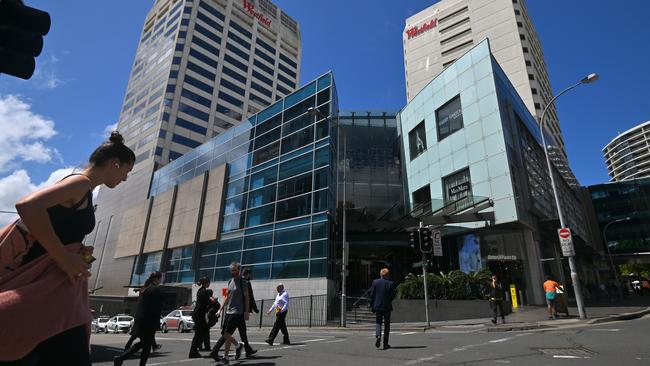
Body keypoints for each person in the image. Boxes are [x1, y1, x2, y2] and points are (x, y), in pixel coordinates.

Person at [0, 131, 134, 365]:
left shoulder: (85, 191)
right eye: (126, 171)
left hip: (52, 287)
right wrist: (63, 257)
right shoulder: (80, 183)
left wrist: (76, 252)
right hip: (41, 286)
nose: (125, 178)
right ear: (115, 163)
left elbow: (56, 229)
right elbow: (28, 205)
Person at [113, 271, 163, 366]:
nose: (161, 281)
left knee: (146, 345)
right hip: (149, 321)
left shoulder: (145, 289)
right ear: (156, 279)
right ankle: (120, 358)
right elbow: (156, 308)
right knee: (145, 344)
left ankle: (122, 358)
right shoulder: (155, 290)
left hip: (142, 320)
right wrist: (157, 322)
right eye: (160, 279)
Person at [210, 267, 258, 358]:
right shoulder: (230, 281)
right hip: (231, 312)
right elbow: (226, 296)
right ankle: (244, 348)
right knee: (235, 333)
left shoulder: (244, 282)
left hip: (238, 312)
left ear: (239, 271)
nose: (233, 272)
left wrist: (248, 311)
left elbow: (249, 297)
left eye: (235, 270)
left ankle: (218, 352)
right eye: (232, 270)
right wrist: (220, 309)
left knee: (227, 333)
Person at [369, 268, 395, 350]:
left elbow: (372, 294)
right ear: (387, 275)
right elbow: (392, 296)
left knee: (378, 322)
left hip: (378, 306)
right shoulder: (390, 283)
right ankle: (385, 343)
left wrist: (372, 305)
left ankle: (378, 335)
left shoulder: (375, 282)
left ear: (380, 274)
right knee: (387, 325)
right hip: (387, 306)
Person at [189, 276, 212, 358]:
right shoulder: (204, 291)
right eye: (209, 282)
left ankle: (194, 351)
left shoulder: (201, 290)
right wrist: (212, 301)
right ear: (206, 282)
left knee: (201, 333)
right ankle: (193, 352)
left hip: (198, 314)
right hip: (199, 315)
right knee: (199, 334)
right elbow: (207, 303)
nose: (210, 283)